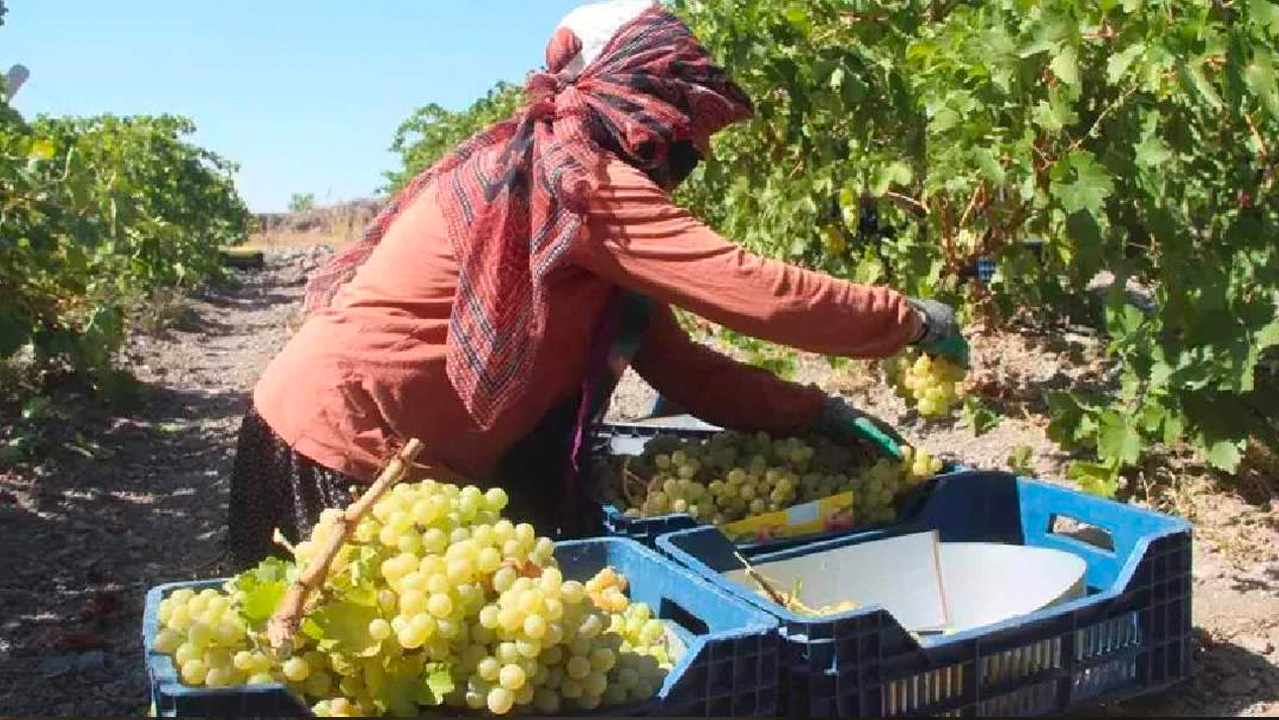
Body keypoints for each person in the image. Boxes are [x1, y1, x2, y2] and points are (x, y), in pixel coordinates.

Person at [227, 0, 967, 569]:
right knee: (346, 670)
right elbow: (752, 288)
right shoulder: (578, 183)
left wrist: (811, 412)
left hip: (363, 440)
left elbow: (681, 367)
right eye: (685, 121)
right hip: (343, 448)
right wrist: (906, 321)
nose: (693, 147)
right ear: (636, 98)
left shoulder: (555, 183)